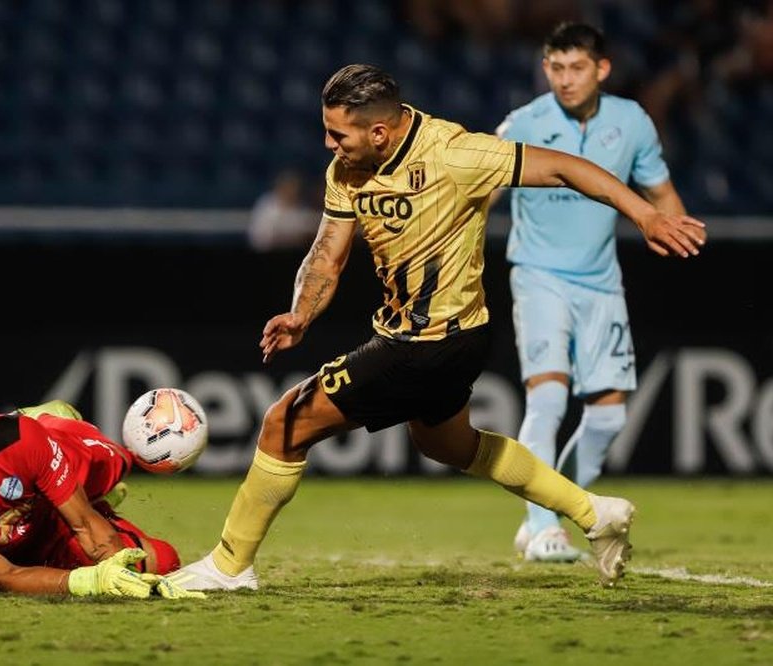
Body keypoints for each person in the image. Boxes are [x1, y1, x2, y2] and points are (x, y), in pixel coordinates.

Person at [165, 63, 705, 592]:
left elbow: (565, 167)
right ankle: (595, 513)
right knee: (451, 446)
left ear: (380, 130)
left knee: (284, 424)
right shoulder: (347, 170)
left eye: (337, 134)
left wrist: (646, 214)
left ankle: (229, 565)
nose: (329, 145)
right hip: (447, 342)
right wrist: (301, 313)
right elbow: (326, 256)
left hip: (428, 343)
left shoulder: (455, 152)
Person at [493, 22, 690, 563]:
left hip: (601, 281)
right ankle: (541, 527)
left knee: (608, 417)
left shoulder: (631, 121)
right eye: (555, 68)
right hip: (537, 276)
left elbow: (660, 190)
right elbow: (478, 191)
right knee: (549, 396)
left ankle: (548, 509)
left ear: (602, 69)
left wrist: (675, 228)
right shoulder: (524, 123)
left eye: (576, 67)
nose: (564, 79)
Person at [0, 398, 203, 599]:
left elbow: (86, 527)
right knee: (160, 559)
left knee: (117, 464)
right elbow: (6, 577)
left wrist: (126, 577)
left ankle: (54, 423)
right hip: (29, 538)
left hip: (58, 459)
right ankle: (86, 496)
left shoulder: (17, 441)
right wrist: (93, 581)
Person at [247, 169, 322, 252]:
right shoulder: (266, 205)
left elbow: (309, 235)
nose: (291, 191)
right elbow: (257, 237)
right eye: (288, 186)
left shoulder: (303, 208)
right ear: (280, 187)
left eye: (294, 187)